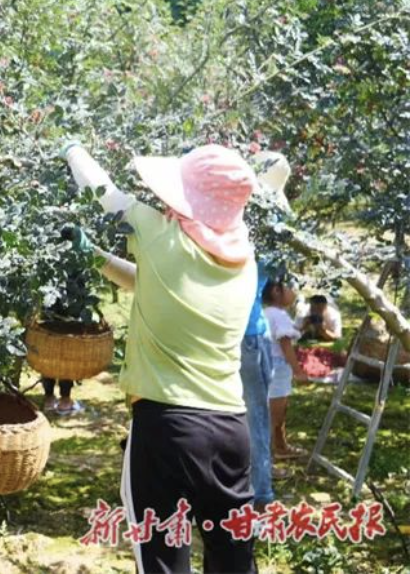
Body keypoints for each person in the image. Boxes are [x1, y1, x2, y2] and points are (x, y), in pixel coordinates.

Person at [61, 141, 259, 573]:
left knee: (162, 562)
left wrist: (74, 150)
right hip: (230, 431)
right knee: (233, 559)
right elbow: (160, 283)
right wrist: (96, 258)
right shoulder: (244, 262)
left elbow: (105, 193)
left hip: (168, 428)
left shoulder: (159, 233)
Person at [238, 150, 293, 509]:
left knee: (227, 414)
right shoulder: (273, 230)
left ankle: (253, 490)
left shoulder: (231, 219)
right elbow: (280, 292)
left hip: (225, 331)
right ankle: (259, 492)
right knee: (255, 416)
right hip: (249, 334)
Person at [262, 277, 308, 460]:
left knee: (273, 410)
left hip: (267, 363)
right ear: (276, 291)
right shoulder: (279, 315)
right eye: (288, 288)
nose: (293, 292)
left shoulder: (267, 313)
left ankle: (280, 446)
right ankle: (268, 456)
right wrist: (298, 371)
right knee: (276, 413)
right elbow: (285, 345)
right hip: (279, 367)